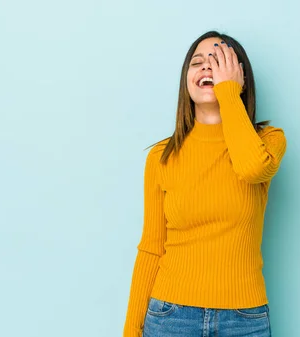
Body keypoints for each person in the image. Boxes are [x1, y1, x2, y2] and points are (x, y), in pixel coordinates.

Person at [123, 30, 288, 337]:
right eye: (197, 62)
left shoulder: (267, 141)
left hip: (244, 319)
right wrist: (131, 330)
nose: (207, 68)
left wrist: (228, 94)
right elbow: (150, 248)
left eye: (219, 61)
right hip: (169, 314)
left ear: (241, 78)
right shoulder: (162, 156)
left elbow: (252, 169)